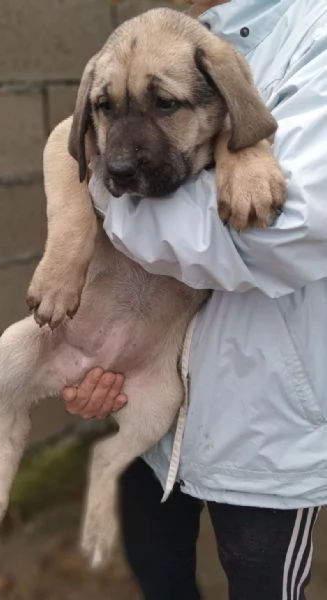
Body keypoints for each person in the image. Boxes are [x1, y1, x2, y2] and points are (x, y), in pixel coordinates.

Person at [62, 1, 327, 598]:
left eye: (163, 104)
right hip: (150, 405)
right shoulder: (145, 40)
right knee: (159, 573)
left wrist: (103, 200)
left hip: (260, 427)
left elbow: (287, 228)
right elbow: (69, 144)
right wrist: (95, 350)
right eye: (111, 110)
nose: (120, 156)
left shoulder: (313, 33)